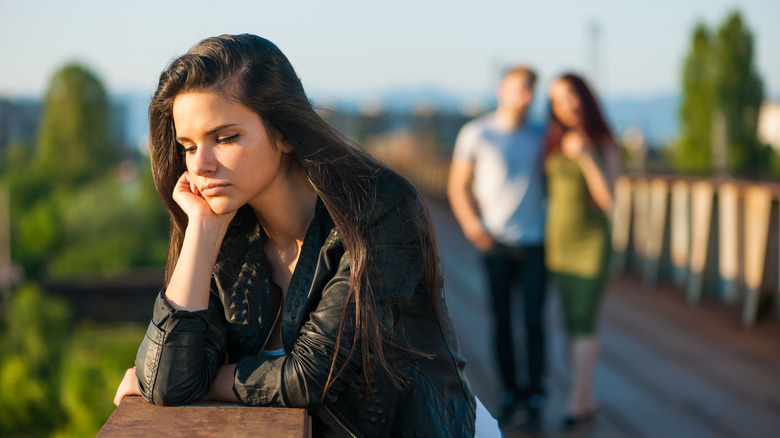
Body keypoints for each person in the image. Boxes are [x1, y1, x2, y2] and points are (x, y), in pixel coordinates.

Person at [112, 34, 497, 437]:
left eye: (225, 138)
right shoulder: (226, 230)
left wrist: (199, 380)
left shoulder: (379, 210)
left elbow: (310, 376)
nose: (201, 165)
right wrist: (201, 233)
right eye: (188, 146)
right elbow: (166, 380)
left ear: (283, 133)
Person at [448, 66, 547, 428]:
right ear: (501, 89)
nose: (526, 96)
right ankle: (509, 390)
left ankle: (535, 393)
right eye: (520, 88)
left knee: (534, 320)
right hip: (496, 242)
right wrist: (474, 227)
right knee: (502, 320)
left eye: (531, 90)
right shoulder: (477, 133)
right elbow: (457, 185)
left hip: (536, 241)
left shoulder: (542, 134)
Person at [543, 73, 620, 431]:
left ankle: (575, 401)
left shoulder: (604, 141)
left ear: (584, 96)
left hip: (591, 244)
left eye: (571, 95)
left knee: (585, 320)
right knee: (571, 323)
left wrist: (587, 156)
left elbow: (608, 201)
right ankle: (587, 400)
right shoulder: (553, 141)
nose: (566, 104)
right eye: (558, 99)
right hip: (559, 244)